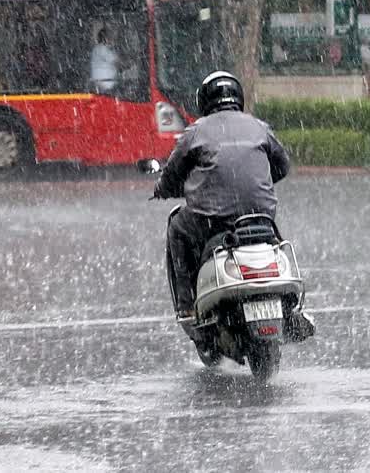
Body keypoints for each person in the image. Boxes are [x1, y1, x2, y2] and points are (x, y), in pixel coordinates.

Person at [153, 71, 291, 319]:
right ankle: (293, 310)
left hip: (212, 222)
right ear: (239, 98)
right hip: (259, 216)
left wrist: (161, 190)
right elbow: (282, 166)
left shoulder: (195, 132)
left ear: (203, 102)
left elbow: (172, 174)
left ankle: (186, 306)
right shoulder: (259, 127)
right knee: (276, 238)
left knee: (177, 226)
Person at [89, 27, 119, 93]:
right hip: (104, 87)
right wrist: (134, 60)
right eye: (110, 36)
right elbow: (118, 63)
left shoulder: (100, 49)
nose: (113, 38)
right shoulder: (102, 49)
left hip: (104, 86)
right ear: (105, 38)